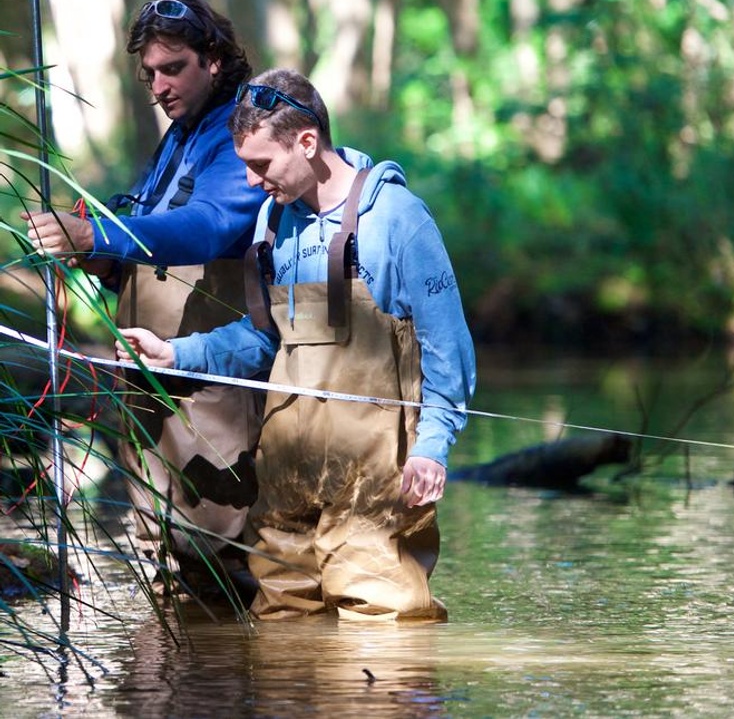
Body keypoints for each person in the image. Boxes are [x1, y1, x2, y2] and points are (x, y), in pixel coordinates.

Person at [116, 68, 476, 621]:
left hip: (373, 482)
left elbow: (448, 348)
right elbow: (265, 340)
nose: (253, 181)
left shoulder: (399, 220)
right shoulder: (271, 221)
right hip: (285, 479)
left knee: (383, 624)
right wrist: (175, 353)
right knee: (282, 625)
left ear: (306, 142)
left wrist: (431, 447)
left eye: (261, 165)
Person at [23, 0, 266, 597]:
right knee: (162, 546)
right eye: (150, 73)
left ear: (213, 59)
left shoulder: (242, 126)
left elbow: (212, 226)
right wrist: (93, 251)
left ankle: (243, 681)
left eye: (173, 67)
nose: (158, 86)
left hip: (212, 375)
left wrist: (98, 230)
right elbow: (146, 240)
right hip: (151, 380)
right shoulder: (179, 135)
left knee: (221, 553)